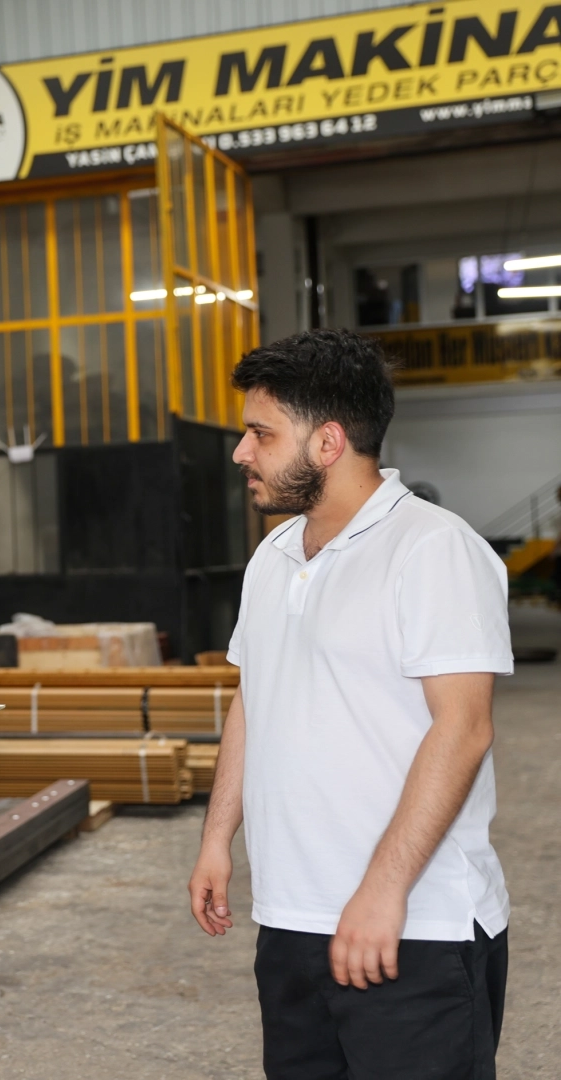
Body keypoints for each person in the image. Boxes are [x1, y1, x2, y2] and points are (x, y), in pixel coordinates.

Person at [188, 330, 513, 1080]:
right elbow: (253, 700)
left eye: (262, 433)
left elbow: (463, 729)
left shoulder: (431, 549)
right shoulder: (272, 557)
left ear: (328, 442)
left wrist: (383, 890)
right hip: (291, 920)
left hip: (414, 927)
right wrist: (217, 838)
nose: (241, 452)